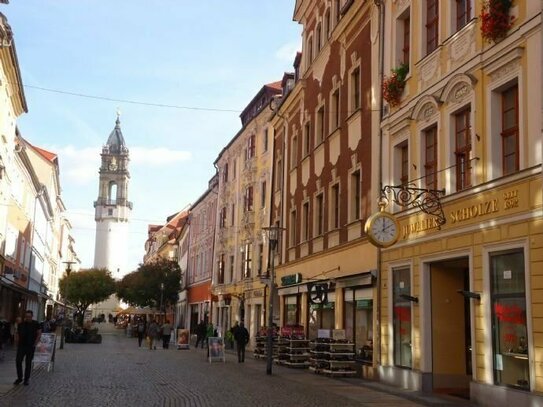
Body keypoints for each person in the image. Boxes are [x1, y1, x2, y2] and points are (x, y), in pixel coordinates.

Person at [14, 310, 42, 386]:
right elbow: (17, 334)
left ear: (32, 316)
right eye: (26, 317)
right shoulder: (21, 324)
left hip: (30, 346)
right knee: (18, 361)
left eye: (29, 317)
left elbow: (39, 333)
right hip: (21, 346)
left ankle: (26, 379)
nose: (27, 318)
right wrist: (16, 342)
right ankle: (20, 378)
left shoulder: (36, 324)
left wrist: (36, 342)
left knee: (28, 363)